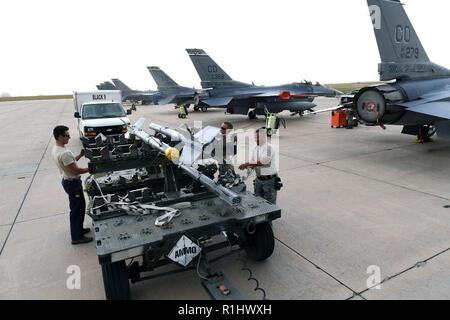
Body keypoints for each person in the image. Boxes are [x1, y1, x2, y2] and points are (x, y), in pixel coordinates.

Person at [52, 125, 92, 245]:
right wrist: (91, 168)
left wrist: (80, 155)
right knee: (77, 210)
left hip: (68, 181)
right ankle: (76, 237)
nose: (69, 137)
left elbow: (69, 163)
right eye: (67, 135)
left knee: (78, 208)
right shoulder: (64, 153)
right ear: (59, 137)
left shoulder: (57, 149)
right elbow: (75, 170)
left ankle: (79, 230)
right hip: (73, 183)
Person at [239, 128, 280, 204]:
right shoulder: (256, 148)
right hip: (258, 180)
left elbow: (263, 162)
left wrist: (247, 164)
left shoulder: (269, 148)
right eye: (255, 137)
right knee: (258, 201)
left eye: (258, 137)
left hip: (269, 181)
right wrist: (247, 167)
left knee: (269, 204)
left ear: (264, 137)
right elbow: (253, 163)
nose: (256, 139)